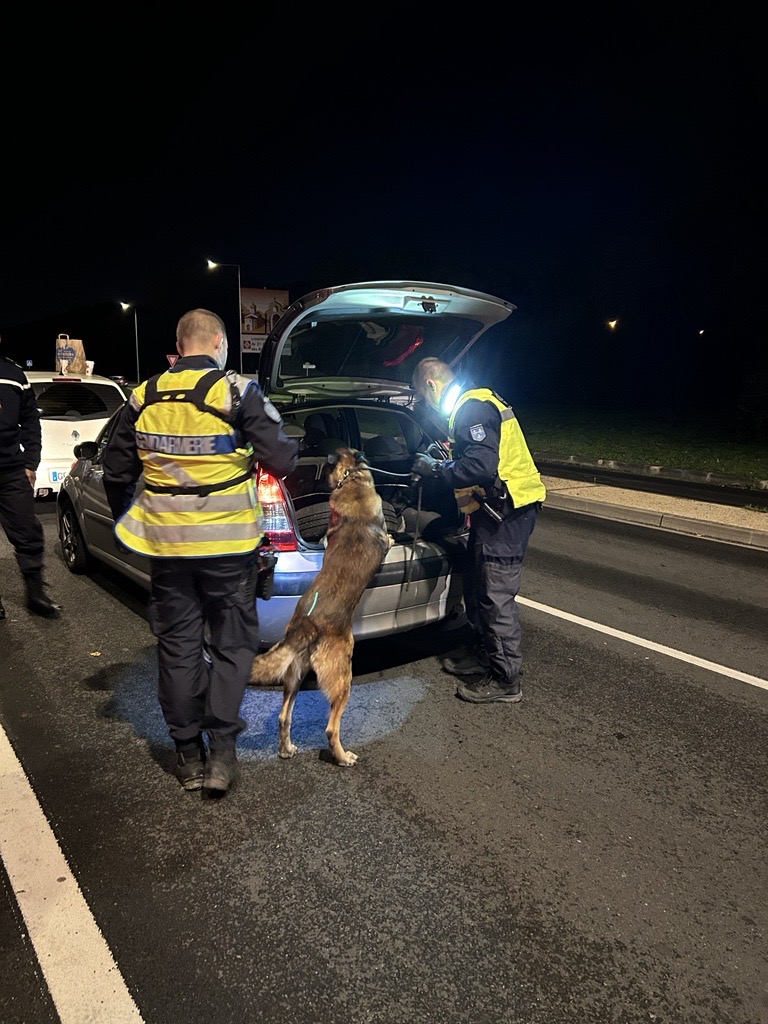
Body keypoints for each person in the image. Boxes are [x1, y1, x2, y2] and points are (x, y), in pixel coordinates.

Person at [102, 309, 299, 796]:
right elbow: (283, 458)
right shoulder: (235, 392)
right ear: (216, 343)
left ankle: (188, 756)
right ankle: (222, 756)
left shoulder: (142, 397)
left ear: (179, 343)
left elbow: (114, 470)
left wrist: (132, 514)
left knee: (178, 645)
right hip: (229, 549)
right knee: (232, 647)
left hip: (168, 549)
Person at [410, 357, 545, 705]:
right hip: (498, 512)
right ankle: (482, 654)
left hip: (508, 513)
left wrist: (437, 468)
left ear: (431, 385)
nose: (428, 408)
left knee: (495, 597)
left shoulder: (471, 407)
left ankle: (505, 680)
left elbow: (480, 467)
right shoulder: (476, 404)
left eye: (424, 400)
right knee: (476, 585)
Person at [0, 336, 62, 620]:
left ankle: (36, 593)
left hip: (11, 470)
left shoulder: (14, 374)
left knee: (28, 533)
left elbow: (31, 421)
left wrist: (31, 463)